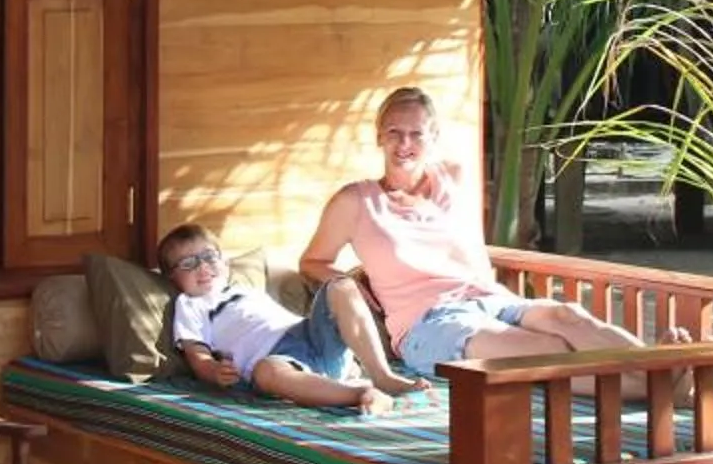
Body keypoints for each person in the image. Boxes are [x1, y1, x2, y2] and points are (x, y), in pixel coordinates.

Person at [299, 85, 647, 379]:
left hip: (489, 299)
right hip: (428, 324)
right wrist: (351, 287)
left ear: (433, 137)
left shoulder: (454, 178)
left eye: (416, 133)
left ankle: (659, 370)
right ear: (379, 136)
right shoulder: (356, 202)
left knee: (567, 317)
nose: (405, 143)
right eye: (394, 132)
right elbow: (313, 261)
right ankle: (662, 388)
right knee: (544, 349)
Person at [156, 224, 414, 414]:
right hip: (277, 360)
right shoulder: (190, 304)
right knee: (266, 373)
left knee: (341, 286)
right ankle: (359, 394)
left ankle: (381, 375)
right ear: (172, 278)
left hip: (308, 335)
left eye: (209, 257)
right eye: (188, 263)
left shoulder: (243, 288)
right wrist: (213, 372)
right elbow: (196, 354)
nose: (203, 267)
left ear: (224, 261)